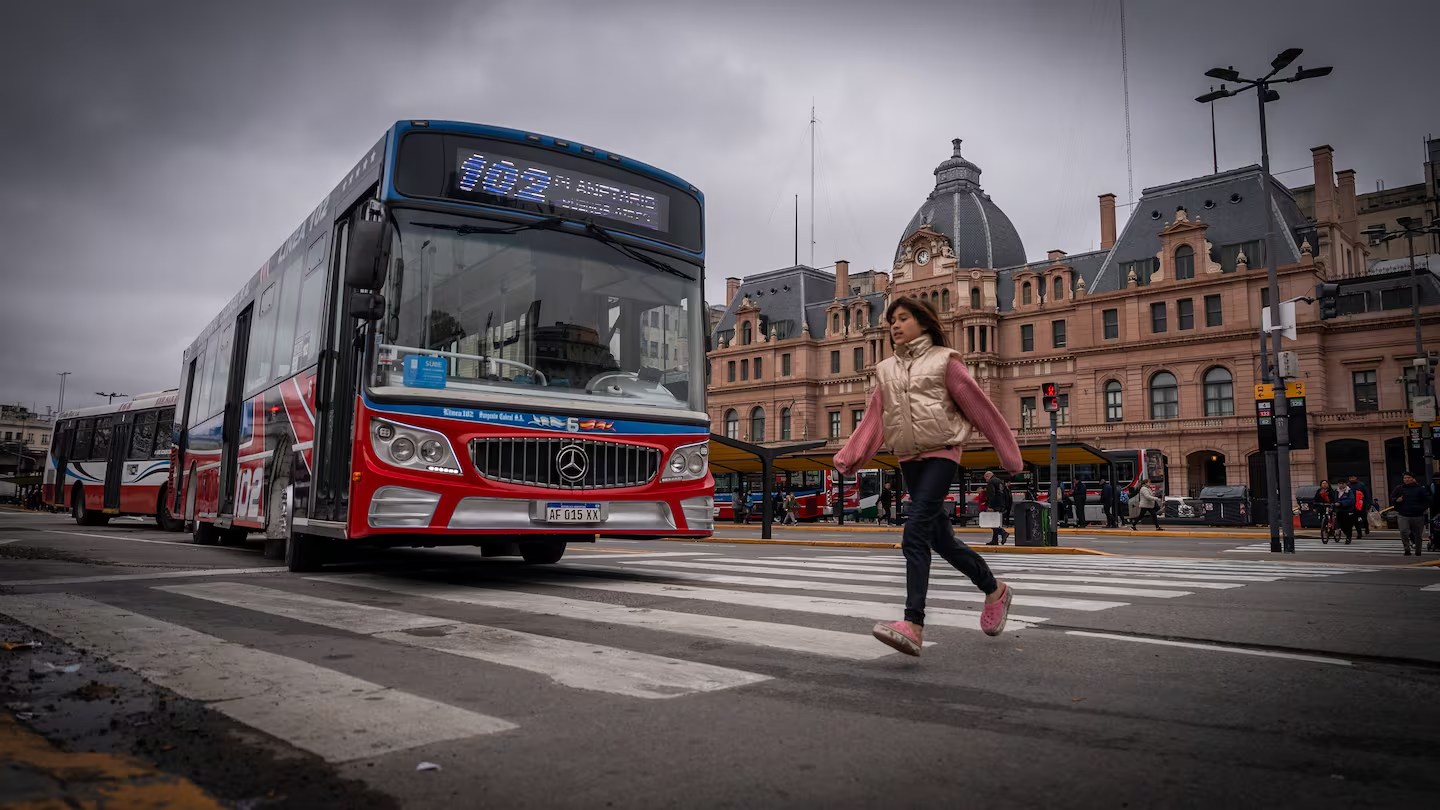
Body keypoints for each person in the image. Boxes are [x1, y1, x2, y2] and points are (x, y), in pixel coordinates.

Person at [834, 296, 1023, 657]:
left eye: (903, 318)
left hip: (942, 454)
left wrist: (1009, 455)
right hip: (909, 458)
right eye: (892, 320)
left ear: (924, 321)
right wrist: (851, 456)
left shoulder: (945, 362)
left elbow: (981, 409)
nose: (895, 325)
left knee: (915, 533)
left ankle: (913, 623)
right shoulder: (886, 369)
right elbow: (875, 417)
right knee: (943, 541)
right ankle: (994, 589)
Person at [1390, 471, 1431, 556]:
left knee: (1418, 535)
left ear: (1413, 479)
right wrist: (1396, 500)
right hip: (1403, 515)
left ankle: (1418, 551)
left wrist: (1422, 509)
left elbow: (1427, 500)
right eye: (1405, 478)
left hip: (1418, 515)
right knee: (1403, 532)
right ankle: (1407, 549)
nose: (1406, 479)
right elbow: (1392, 498)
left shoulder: (1420, 489)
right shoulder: (1399, 488)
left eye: (1408, 478)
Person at [982, 471, 1009, 546]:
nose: (986, 480)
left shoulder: (991, 482)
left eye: (986, 479)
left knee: (992, 522)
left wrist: (990, 506)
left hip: (995, 505)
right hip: (1001, 504)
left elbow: (991, 495)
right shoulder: (1000, 481)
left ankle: (1003, 533)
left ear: (988, 476)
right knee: (995, 521)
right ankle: (995, 540)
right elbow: (1005, 494)